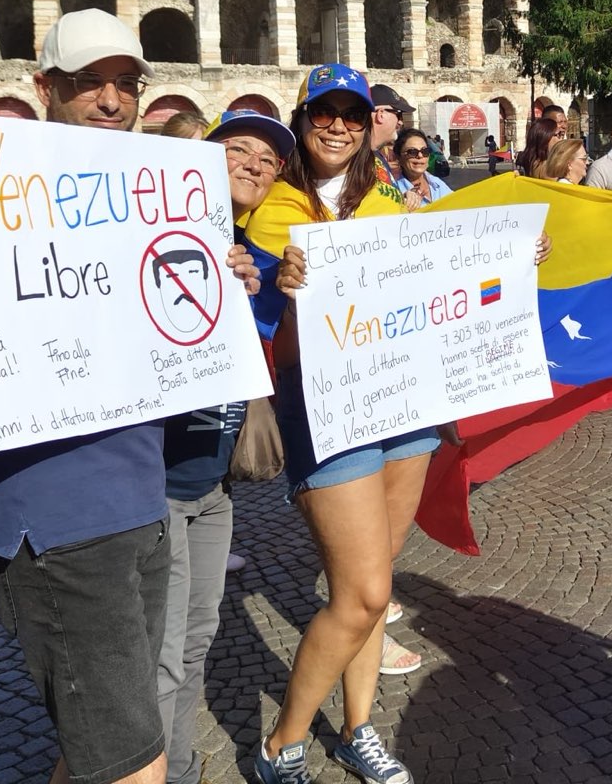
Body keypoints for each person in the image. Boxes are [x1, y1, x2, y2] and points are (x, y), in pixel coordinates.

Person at [0, 8, 262, 784]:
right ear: (43, 87)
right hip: (55, 528)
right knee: (133, 763)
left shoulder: (153, 201)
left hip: (145, 505)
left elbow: (175, 333)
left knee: (96, 746)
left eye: (126, 83)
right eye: (87, 82)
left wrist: (223, 289)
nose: (110, 100)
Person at [244, 64, 439, 783]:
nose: (337, 124)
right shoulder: (274, 206)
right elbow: (271, 343)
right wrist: (286, 294)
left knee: (371, 588)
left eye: (351, 115)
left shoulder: (388, 197)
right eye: (323, 112)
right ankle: (282, 743)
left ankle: (358, 729)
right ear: (302, 120)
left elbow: (430, 277)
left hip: (406, 402)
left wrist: (511, 262)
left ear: (367, 126)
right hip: (327, 409)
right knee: (363, 593)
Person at [156, 107, 295, 784]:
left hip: (213, 483)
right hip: (154, 481)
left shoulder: (248, 254)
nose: (252, 165)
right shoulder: (153, 235)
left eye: (267, 161)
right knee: (160, 649)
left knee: (193, 641)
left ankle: (172, 764)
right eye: (236, 149)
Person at [368, 85, 415, 187]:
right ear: (381, 114)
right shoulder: (356, 157)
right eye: (399, 115)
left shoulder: (375, 155)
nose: (401, 122)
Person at [395, 127, 453, 204]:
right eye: (412, 152)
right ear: (399, 157)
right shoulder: (394, 191)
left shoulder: (437, 183)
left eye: (425, 151)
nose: (420, 155)